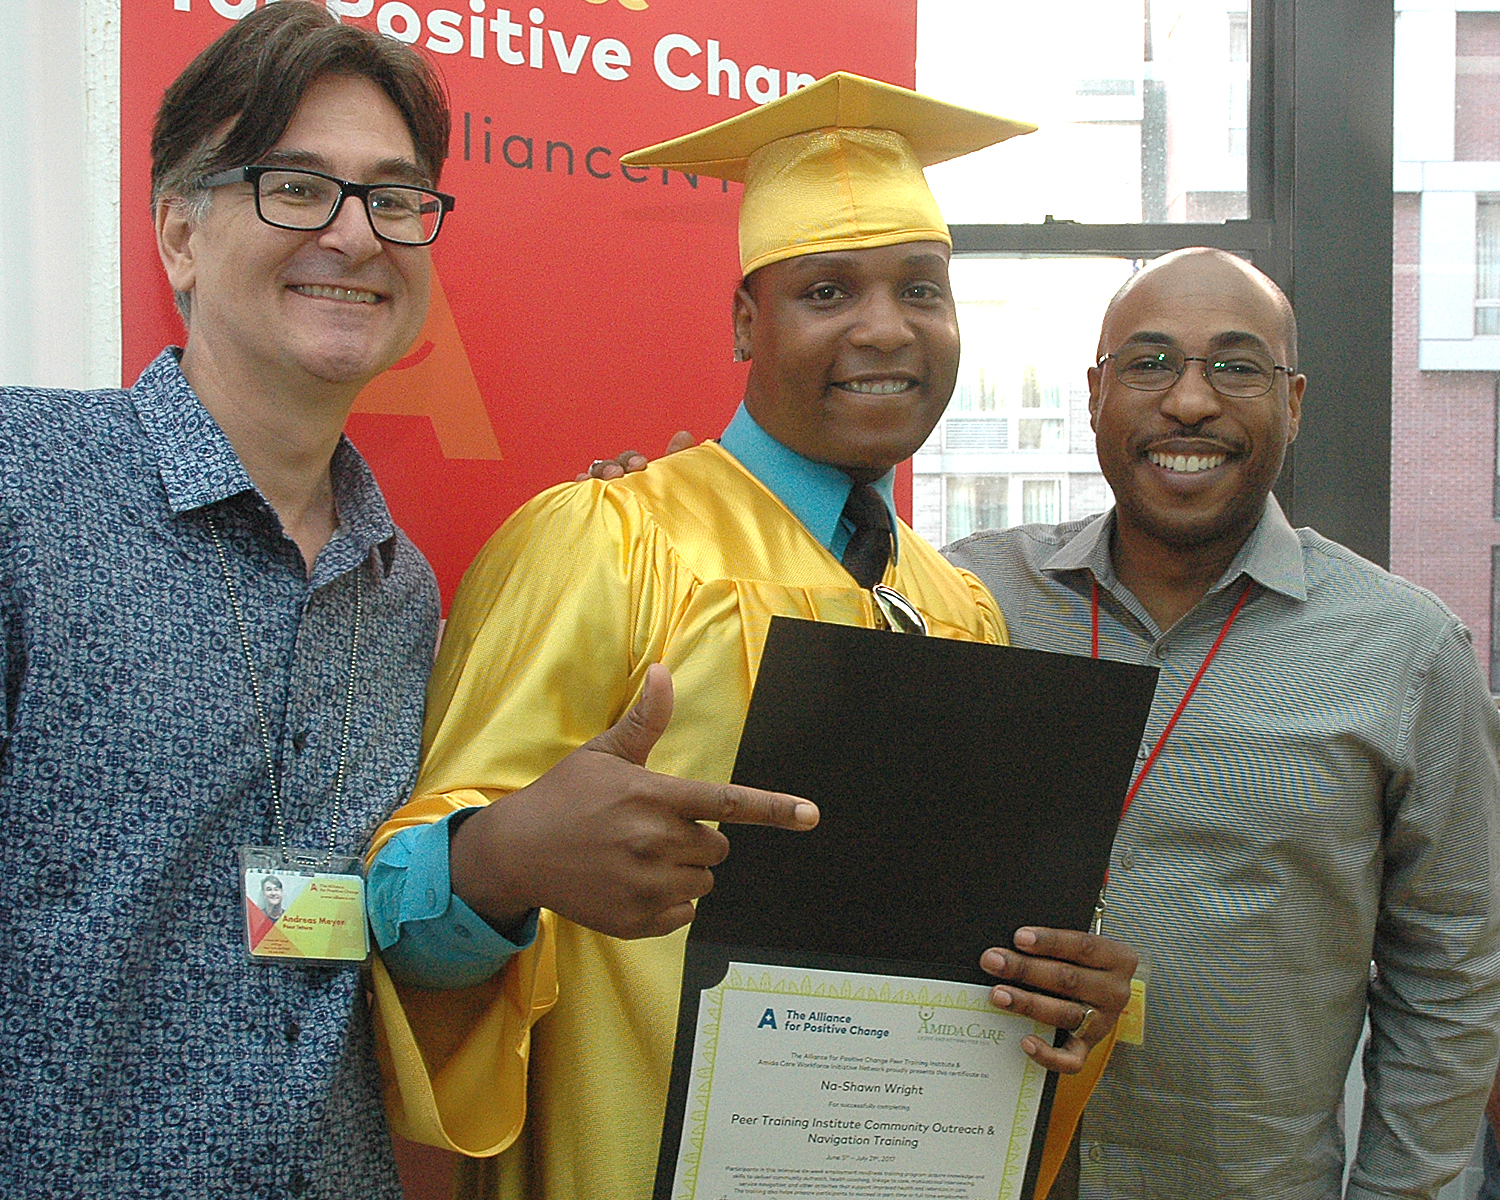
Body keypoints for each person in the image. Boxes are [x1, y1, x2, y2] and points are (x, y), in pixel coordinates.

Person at [364, 73, 1137, 1200]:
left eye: (923, 287)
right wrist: (505, 860)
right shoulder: (609, 544)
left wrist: (1067, 999)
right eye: (827, 290)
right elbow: (398, 915)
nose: (886, 327)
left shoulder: (960, 606)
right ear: (745, 319)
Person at [0, 5, 451, 1194]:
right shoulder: (21, 487)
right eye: (297, 186)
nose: (355, 236)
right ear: (179, 236)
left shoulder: (403, 592)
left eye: (394, 198)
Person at [942, 248, 1500, 1199]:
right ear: (1093, 393)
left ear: (1293, 402)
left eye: (1236, 366)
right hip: (962, 1169)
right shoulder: (969, 597)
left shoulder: (1409, 651)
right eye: (1149, 362)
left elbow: (1452, 973)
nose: (1190, 402)